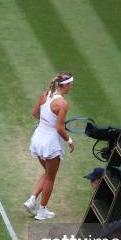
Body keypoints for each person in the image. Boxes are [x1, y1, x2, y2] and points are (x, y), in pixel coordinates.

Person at [24, 72, 75, 220]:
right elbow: (59, 128)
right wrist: (70, 141)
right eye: (70, 84)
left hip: (38, 139)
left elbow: (34, 113)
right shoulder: (62, 104)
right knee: (51, 178)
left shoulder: (44, 95)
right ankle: (42, 211)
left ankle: (32, 200)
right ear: (64, 85)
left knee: (47, 173)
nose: (71, 87)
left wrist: (46, 121)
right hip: (50, 144)